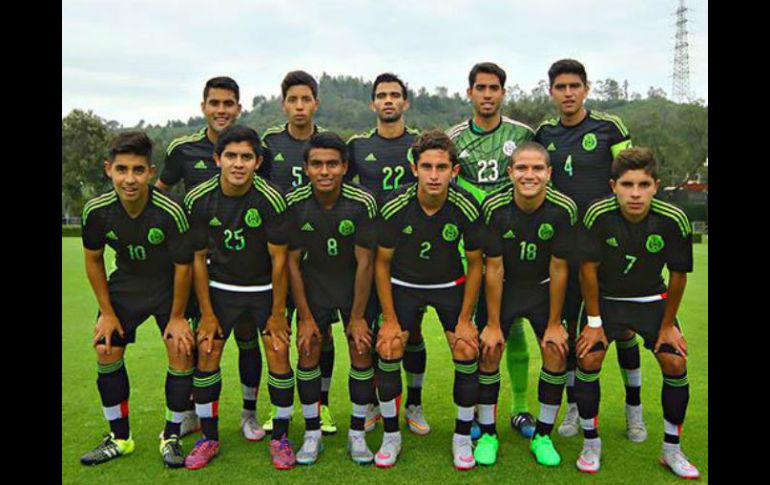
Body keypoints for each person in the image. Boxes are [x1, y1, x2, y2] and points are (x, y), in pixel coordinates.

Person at [573, 147, 698, 479]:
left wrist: (668, 325)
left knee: (675, 360)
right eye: (627, 185)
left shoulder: (674, 219)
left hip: (650, 299)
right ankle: (591, 444)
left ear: (656, 185)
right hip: (607, 299)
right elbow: (587, 270)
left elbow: (678, 275)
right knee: (589, 358)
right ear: (613, 185)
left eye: (644, 185)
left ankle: (671, 450)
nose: (635, 193)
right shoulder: (597, 214)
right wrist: (594, 323)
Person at [534, 59, 642, 441]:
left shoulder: (611, 128)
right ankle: (575, 407)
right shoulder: (544, 133)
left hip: (607, 246)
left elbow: (631, 176)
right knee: (569, 329)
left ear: (586, 88)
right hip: (562, 247)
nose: (567, 93)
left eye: (574, 86)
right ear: (551, 92)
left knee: (626, 328)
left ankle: (635, 410)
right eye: (560, 87)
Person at [155, 77, 266, 441]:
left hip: (244, 268)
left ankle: (249, 414)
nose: (221, 110)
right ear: (203, 106)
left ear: (239, 108)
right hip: (200, 267)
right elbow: (162, 194)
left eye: (228, 104)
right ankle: (191, 412)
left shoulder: (248, 147)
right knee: (201, 340)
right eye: (214, 103)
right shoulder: (182, 149)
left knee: (249, 338)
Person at [79, 132, 195, 468]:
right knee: (106, 346)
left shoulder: (170, 212)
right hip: (127, 285)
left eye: (138, 170)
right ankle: (119, 438)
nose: (130, 179)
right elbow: (93, 260)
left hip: (168, 286)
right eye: (122, 169)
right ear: (108, 169)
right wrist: (106, 313)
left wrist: (177, 316)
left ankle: (171, 435)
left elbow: (183, 268)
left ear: (150, 172)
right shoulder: (97, 211)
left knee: (180, 347)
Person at [183, 125, 295, 470]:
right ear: (217, 158)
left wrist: (277, 313)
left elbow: (280, 261)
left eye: (246, 157)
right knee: (208, 352)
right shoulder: (198, 198)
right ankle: (209, 438)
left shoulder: (271, 198)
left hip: (263, 290)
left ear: (258, 161)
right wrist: (206, 312)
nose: (238, 163)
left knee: (277, 352)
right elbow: (197, 259)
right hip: (220, 288)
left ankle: (280, 438)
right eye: (230, 156)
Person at [373, 131, 484, 469]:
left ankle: (462, 437)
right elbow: (381, 263)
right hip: (404, 284)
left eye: (441, 167)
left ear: (454, 171)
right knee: (390, 345)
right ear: (414, 169)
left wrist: (465, 319)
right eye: (427, 167)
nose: (434, 175)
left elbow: (477, 263)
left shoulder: (465, 204)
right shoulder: (395, 205)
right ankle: (391, 435)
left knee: (466, 346)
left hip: (449, 284)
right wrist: (389, 318)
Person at [447, 62, 537, 437]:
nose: (487, 94)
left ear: (503, 93)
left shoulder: (523, 133)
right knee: (472, 330)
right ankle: (480, 415)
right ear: (469, 93)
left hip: (512, 244)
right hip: (468, 246)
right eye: (480, 88)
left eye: (494, 88)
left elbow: (533, 178)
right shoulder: (453, 137)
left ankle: (519, 409)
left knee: (510, 325)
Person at [477, 142, 577, 467]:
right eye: (521, 168)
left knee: (555, 349)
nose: (529, 175)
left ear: (549, 173)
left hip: (542, 290)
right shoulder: (494, 207)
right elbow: (493, 267)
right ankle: (489, 433)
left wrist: (554, 322)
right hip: (504, 289)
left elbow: (559, 267)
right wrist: (492, 324)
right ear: (510, 173)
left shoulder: (564, 208)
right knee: (488, 351)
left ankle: (542, 436)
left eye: (537, 169)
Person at [285, 132, 379, 464]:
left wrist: (356, 316)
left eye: (332, 164)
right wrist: (306, 317)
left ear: (344, 167)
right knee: (309, 347)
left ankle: (357, 433)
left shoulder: (362, 202)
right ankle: (312, 434)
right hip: (314, 286)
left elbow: (366, 261)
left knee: (361, 347)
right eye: (317, 164)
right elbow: (292, 263)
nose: (325, 171)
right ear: (306, 168)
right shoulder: (295, 203)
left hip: (353, 286)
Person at [346, 72, 428, 435]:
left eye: (395, 95)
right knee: (372, 329)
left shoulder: (420, 144)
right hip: (370, 250)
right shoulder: (358, 146)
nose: (389, 101)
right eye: (382, 95)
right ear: (373, 103)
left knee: (411, 331)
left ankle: (414, 402)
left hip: (410, 251)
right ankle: (375, 404)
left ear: (406, 102)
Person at [261, 70, 338, 436]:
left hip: (318, 254)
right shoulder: (270, 142)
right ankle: (279, 409)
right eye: (292, 100)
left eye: (306, 99)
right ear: (283, 104)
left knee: (321, 332)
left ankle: (320, 407)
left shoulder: (327, 143)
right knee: (278, 327)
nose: (299, 106)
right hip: (277, 250)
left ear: (316, 103)